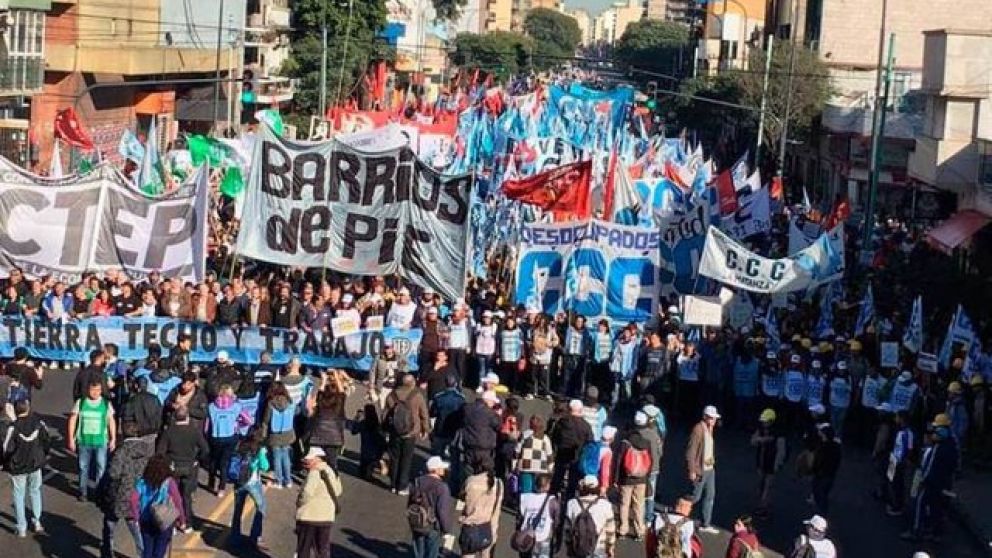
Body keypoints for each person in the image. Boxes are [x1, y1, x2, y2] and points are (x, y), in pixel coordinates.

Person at [98, 420, 153, 557]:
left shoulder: (121, 451)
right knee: (136, 529)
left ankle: (107, 551)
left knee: (110, 525)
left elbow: (113, 473)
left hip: (119, 494)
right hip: (138, 495)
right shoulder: (147, 451)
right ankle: (143, 554)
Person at [903, 414, 959, 542]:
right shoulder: (952, 443)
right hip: (943, 482)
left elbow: (930, 465)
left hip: (931, 482)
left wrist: (924, 479)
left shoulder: (939, 447)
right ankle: (936, 533)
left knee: (920, 503)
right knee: (936, 507)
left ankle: (916, 531)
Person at [156, 404, 210, 533]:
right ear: (187, 416)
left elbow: (160, 452)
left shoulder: (168, 431)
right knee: (186, 496)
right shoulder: (194, 431)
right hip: (189, 467)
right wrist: (196, 460)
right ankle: (187, 523)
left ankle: (173, 524)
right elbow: (205, 449)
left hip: (173, 467)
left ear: (175, 417)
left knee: (172, 496)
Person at [2, 399, 50, 537]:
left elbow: (7, 449)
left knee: (18, 495)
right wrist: (43, 455)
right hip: (35, 464)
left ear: (16, 411)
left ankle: (21, 527)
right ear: (28, 409)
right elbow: (46, 440)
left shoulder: (13, 428)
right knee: (35, 492)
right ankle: (37, 522)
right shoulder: (38, 423)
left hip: (17, 467)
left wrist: (4, 463)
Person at [68, 379, 117, 501]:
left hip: (101, 442)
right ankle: (83, 492)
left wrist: (113, 439)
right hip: (84, 442)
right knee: (83, 468)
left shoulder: (106, 404)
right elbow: (72, 420)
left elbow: (111, 421)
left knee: (101, 468)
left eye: (98, 390)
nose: (95, 393)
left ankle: (99, 492)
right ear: (88, 390)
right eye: (93, 390)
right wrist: (71, 439)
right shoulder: (81, 402)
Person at [129, 454, 186, 558]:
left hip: (146, 520)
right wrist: (182, 520)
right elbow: (178, 502)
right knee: (159, 551)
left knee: (147, 550)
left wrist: (136, 517)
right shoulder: (169, 482)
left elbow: (133, 500)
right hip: (163, 520)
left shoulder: (142, 482)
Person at [385, 373, 430, 494]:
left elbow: (385, 414)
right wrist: (425, 429)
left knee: (394, 458)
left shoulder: (392, 395)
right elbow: (424, 414)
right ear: (413, 383)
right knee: (406, 459)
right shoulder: (417, 396)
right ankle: (402, 486)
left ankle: (393, 484)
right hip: (411, 432)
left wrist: (385, 430)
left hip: (395, 431)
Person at [295, 447, 343, 558]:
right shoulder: (331, 471)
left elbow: (307, 492)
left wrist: (299, 502)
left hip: (309, 517)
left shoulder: (314, 472)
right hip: (326, 517)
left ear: (318, 459)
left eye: (310, 459)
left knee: (304, 549)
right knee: (322, 550)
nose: (307, 462)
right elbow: (338, 491)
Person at [229, 428, 270, 550]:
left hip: (238, 481)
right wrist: (263, 454)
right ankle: (255, 536)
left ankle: (235, 536)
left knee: (238, 509)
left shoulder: (240, 444)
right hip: (252, 482)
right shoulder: (258, 448)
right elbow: (265, 466)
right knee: (261, 507)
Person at [409, 455, 457, 558]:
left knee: (418, 553)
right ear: (435, 470)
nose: (444, 469)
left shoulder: (417, 481)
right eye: (441, 467)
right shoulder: (442, 487)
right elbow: (442, 511)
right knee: (431, 553)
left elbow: (410, 502)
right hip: (432, 526)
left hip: (418, 522)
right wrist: (446, 530)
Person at [617, 412, 654, 541]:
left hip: (626, 478)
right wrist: (647, 477)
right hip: (641, 479)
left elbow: (619, 462)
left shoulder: (625, 442)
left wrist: (616, 479)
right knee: (639, 505)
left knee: (624, 504)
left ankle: (623, 529)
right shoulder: (646, 443)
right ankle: (640, 531)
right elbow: (651, 461)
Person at [459, 455, 504, 558]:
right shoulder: (499, 484)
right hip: (488, 528)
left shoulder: (471, 481)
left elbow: (462, 497)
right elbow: (497, 509)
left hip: (470, 526)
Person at [550, 399, 593, 500]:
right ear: (581, 410)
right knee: (572, 485)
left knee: (557, 480)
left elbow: (554, 437)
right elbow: (590, 442)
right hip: (577, 458)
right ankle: (569, 506)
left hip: (561, 456)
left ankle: (551, 501)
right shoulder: (585, 426)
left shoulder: (561, 422)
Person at [564, 475, 617, 558]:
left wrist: (569, 548)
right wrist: (610, 548)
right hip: (599, 549)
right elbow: (611, 531)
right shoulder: (606, 505)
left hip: (578, 549)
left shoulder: (571, 504)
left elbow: (567, 530)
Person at [686, 405, 719, 534]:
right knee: (695, 496)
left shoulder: (710, 429)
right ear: (705, 417)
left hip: (710, 468)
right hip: (701, 469)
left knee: (710, 495)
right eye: (711, 418)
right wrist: (691, 470)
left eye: (714, 418)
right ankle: (679, 513)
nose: (714, 420)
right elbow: (691, 450)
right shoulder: (698, 430)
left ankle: (706, 523)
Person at [205, 384, 242, 497]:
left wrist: (207, 434)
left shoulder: (211, 406)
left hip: (215, 437)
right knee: (224, 463)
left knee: (213, 461)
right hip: (230, 436)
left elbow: (207, 425)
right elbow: (248, 420)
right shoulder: (236, 406)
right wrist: (238, 425)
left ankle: (211, 483)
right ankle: (221, 488)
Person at [307, 370, 349, 469]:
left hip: (317, 437)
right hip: (334, 439)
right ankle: (333, 479)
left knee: (315, 464)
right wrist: (336, 376)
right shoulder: (339, 405)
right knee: (332, 463)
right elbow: (341, 392)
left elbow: (320, 392)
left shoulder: (321, 403)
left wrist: (323, 381)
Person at [751, 408, 786, 515]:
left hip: (771, 464)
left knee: (768, 487)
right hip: (761, 463)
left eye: (765, 421)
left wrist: (777, 464)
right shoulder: (760, 430)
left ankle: (764, 508)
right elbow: (753, 441)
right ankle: (761, 504)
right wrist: (761, 440)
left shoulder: (778, 434)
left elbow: (781, 451)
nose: (763, 423)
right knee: (761, 485)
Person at [262, 381, 297, 489]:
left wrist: (263, 436)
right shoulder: (290, 401)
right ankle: (288, 480)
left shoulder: (270, 403)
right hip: (287, 432)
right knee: (286, 456)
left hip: (275, 434)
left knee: (276, 457)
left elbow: (266, 420)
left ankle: (279, 481)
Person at [516, 474, 559, 558]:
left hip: (527, 537)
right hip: (544, 536)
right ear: (547, 486)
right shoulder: (552, 500)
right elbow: (557, 519)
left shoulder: (525, 497)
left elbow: (520, 516)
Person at [885, 410, 914, 515]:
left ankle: (898, 506)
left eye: (897, 417)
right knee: (891, 482)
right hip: (894, 459)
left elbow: (909, 449)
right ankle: (892, 501)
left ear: (902, 419)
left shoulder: (908, 433)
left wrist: (903, 461)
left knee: (898, 484)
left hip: (899, 462)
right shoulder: (899, 431)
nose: (895, 419)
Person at [811, 424, 842, 514]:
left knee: (819, 494)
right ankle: (822, 514)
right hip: (830, 474)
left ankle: (821, 514)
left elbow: (819, 460)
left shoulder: (823, 447)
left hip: (821, 474)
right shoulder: (836, 447)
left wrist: (814, 469)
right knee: (823, 494)